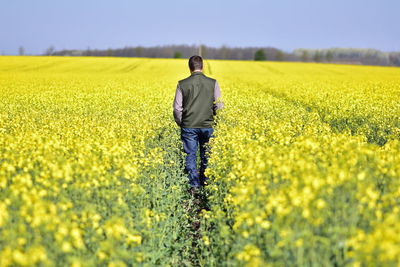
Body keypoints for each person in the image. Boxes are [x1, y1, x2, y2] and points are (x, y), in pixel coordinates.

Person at [173, 55, 224, 189]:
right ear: (202, 66)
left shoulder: (182, 84)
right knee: (207, 155)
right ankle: (206, 182)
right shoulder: (213, 83)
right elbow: (218, 105)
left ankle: (194, 185)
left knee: (190, 155)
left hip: (189, 126)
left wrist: (181, 123)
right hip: (208, 125)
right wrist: (217, 122)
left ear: (189, 67)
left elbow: (177, 108)